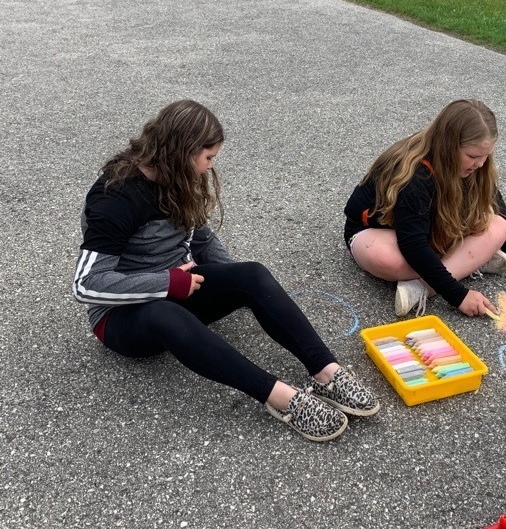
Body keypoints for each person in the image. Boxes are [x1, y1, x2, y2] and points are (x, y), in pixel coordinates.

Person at [73, 99, 379, 443]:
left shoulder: (177, 174)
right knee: (165, 314)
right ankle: (281, 398)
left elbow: (201, 238)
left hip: (180, 286)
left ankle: (326, 372)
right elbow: (87, 284)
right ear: (182, 151)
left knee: (252, 274)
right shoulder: (114, 197)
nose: (208, 168)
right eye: (208, 158)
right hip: (123, 317)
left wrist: (234, 285)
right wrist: (167, 282)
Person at [344, 99, 506, 318]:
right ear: (448, 146)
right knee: (388, 260)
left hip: (430, 229)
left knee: (498, 226)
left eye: (486, 155)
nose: (480, 163)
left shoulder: (475, 163)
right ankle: (467, 263)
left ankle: (421, 288)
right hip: (378, 233)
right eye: (473, 156)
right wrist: (458, 295)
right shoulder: (414, 173)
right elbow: (412, 245)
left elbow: (492, 198)